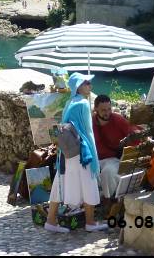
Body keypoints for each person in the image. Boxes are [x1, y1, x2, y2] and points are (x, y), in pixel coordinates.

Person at [45, 72, 108, 233]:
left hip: (67, 151)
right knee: (89, 183)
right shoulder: (83, 104)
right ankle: (90, 222)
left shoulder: (70, 102)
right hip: (81, 151)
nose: (90, 85)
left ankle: (51, 220)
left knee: (61, 182)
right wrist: (93, 154)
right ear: (78, 86)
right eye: (86, 82)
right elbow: (87, 132)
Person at [92, 94, 143, 208]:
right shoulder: (90, 122)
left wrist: (136, 136)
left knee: (108, 172)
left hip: (113, 158)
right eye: (103, 110)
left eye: (109, 109)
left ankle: (109, 200)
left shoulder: (117, 119)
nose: (107, 112)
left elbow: (133, 130)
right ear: (96, 109)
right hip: (96, 159)